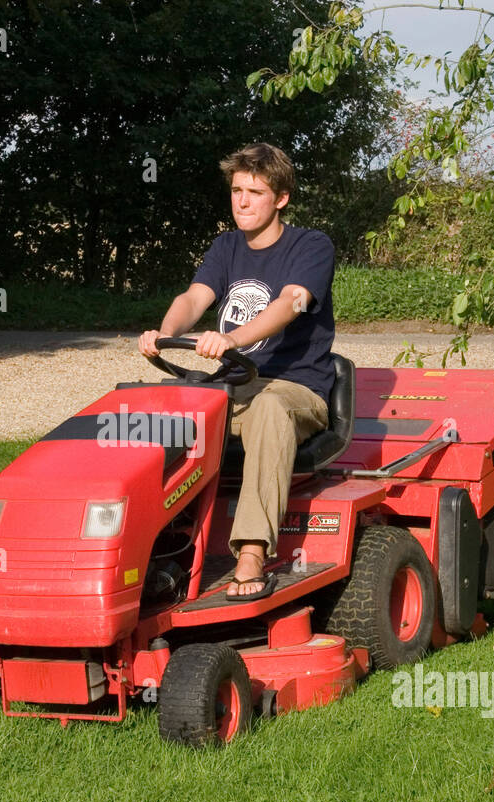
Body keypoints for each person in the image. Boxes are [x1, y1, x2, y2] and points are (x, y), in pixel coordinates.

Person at [138, 143, 335, 599]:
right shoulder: (225, 247)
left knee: (269, 407)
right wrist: (163, 334)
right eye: (236, 190)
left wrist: (232, 339)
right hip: (233, 388)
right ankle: (149, 548)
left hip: (295, 389)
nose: (242, 201)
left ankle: (251, 552)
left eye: (255, 191)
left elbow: (291, 303)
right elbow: (193, 299)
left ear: (281, 197)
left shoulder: (311, 245)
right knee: (153, 410)